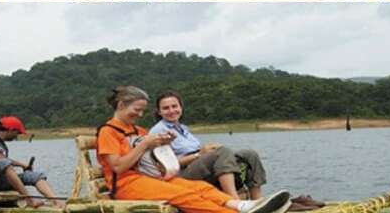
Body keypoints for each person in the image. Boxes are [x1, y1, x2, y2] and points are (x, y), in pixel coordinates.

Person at [97, 86, 290, 213]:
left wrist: (162, 144)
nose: (140, 115)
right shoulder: (108, 131)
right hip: (125, 184)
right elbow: (117, 167)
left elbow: (152, 159)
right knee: (184, 195)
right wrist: (145, 144)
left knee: (201, 187)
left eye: (142, 111)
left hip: (152, 177)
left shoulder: (138, 130)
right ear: (121, 105)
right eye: (136, 110)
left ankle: (241, 205)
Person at [150, 91, 266, 200]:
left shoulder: (183, 129)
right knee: (222, 152)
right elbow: (165, 166)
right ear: (159, 112)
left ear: (181, 107)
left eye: (174, 106)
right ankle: (234, 200)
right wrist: (199, 155)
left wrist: (207, 151)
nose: (171, 110)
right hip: (181, 175)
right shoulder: (159, 131)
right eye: (166, 108)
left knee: (248, 154)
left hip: (199, 165)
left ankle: (257, 199)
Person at [0, 116, 64, 208]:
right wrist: (21, 164)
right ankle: (29, 199)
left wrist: (24, 168)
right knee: (2, 163)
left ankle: (57, 201)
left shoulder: (3, 146)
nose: (17, 136)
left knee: (34, 176)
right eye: (17, 132)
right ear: (10, 130)